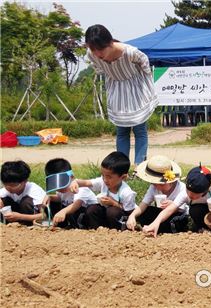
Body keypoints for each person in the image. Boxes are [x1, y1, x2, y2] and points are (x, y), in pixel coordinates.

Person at [85, 24, 158, 166]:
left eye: (100, 49)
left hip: (136, 88)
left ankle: (139, 166)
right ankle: (121, 167)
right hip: (117, 89)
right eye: (93, 49)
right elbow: (98, 68)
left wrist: (143, 80)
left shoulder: (129, 52)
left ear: (110, 43)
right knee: (121, 130)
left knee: (140, 129)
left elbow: (144, 62)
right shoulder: (91, 54)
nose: (98, 53)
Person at [70, 151, 137, 230]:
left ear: (123, 177)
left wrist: (114, 203)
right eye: (103, 175)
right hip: (106, 215)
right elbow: (87, 183)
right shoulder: (103, 181)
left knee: (112, 212)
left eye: (109, 177)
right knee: (92, 209)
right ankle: (97, 230)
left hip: (121, 217)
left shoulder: (126, 193)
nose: (105, 179)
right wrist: (76, 182)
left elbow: (130, 212)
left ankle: (118, 232)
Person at [127, 155, 189, 237]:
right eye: (154, 183)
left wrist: (173, 205)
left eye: (161, 184)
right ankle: (154, 226)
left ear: (170, 181)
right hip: (160, 214)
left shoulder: (181, 188)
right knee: (145, 211)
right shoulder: (153, 187)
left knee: (172, 222)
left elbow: (182, 208)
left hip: (177, 214)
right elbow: (143, 204)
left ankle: (155, 227)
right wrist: (132, 215)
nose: (157, 187)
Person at [44, 158, 98, 229]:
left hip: (89, 215)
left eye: (62, 184)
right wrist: (50, 197)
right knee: (52, 203)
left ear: (71, 176)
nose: (59, 189)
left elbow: (76, 205)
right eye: (56, 185)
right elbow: (59, 198)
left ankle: (83, 228)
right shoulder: (61, 190)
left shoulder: (80, 188)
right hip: (75, 216)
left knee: (72, 210)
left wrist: (63, 211)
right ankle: (61, 225)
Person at [0, 161, 46, 225]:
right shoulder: (5, 190)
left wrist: (20, 217)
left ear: (25, 181)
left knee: (26, 201)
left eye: (13, 186)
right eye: (5, 185)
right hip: (14, 219)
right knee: (4, 199)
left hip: (30, 219)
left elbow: (44, 216)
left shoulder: (34, 191)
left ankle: (25, 225)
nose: (9, 188)